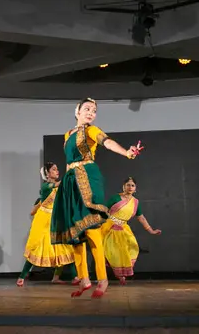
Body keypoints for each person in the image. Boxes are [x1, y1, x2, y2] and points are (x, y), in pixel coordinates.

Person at [50, 97, 142, 298]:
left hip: (88, 178)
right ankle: (83, 279)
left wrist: (127, 152)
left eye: (94, 110)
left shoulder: (91, 130)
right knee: (76, 234)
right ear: (77, 111)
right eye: (87, 109)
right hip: (70, 182)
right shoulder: (67, 135)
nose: (91, 112)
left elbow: (107, 142)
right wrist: (62, 187)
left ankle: (102, 279)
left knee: (91, 229)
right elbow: (68, 163)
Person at [17, 162, 78, 287]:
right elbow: (59, 184)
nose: (57, 171)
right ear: (47, 173)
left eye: (57, 169)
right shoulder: (46, 186)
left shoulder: (56, 187)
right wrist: (70, 171)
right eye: (54, 169)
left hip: (55, 218)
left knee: (63, 246)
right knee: (38, 247)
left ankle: (69, 277)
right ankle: (22, 276)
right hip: (44, 220)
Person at [102, 177, 161, 285]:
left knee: (130, 248)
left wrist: (151, 231)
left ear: (135, 188)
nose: (130, 187)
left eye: (132, 185)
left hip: (124, 229)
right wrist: (113, 221)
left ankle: (122, 274)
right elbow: (104, 211)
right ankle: (115, 276)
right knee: (113, 253)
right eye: (128, 185)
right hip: (110, 228)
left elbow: (141, 217)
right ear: (123, 187)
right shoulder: (115, 198)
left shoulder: (135, 202)